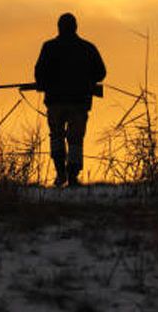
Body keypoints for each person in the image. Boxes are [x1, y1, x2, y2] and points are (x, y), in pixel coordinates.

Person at [34, 13, 106, 187]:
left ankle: (60, 174)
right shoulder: (87, 48)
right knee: (76, 139)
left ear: (59, 27)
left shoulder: (49, 47)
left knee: (57, 136)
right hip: (79, 102)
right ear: (76, 27)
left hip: (56, 102)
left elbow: (38, 75)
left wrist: (47, 83)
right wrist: (85, 81)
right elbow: (101, 73)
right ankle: (72, 176)